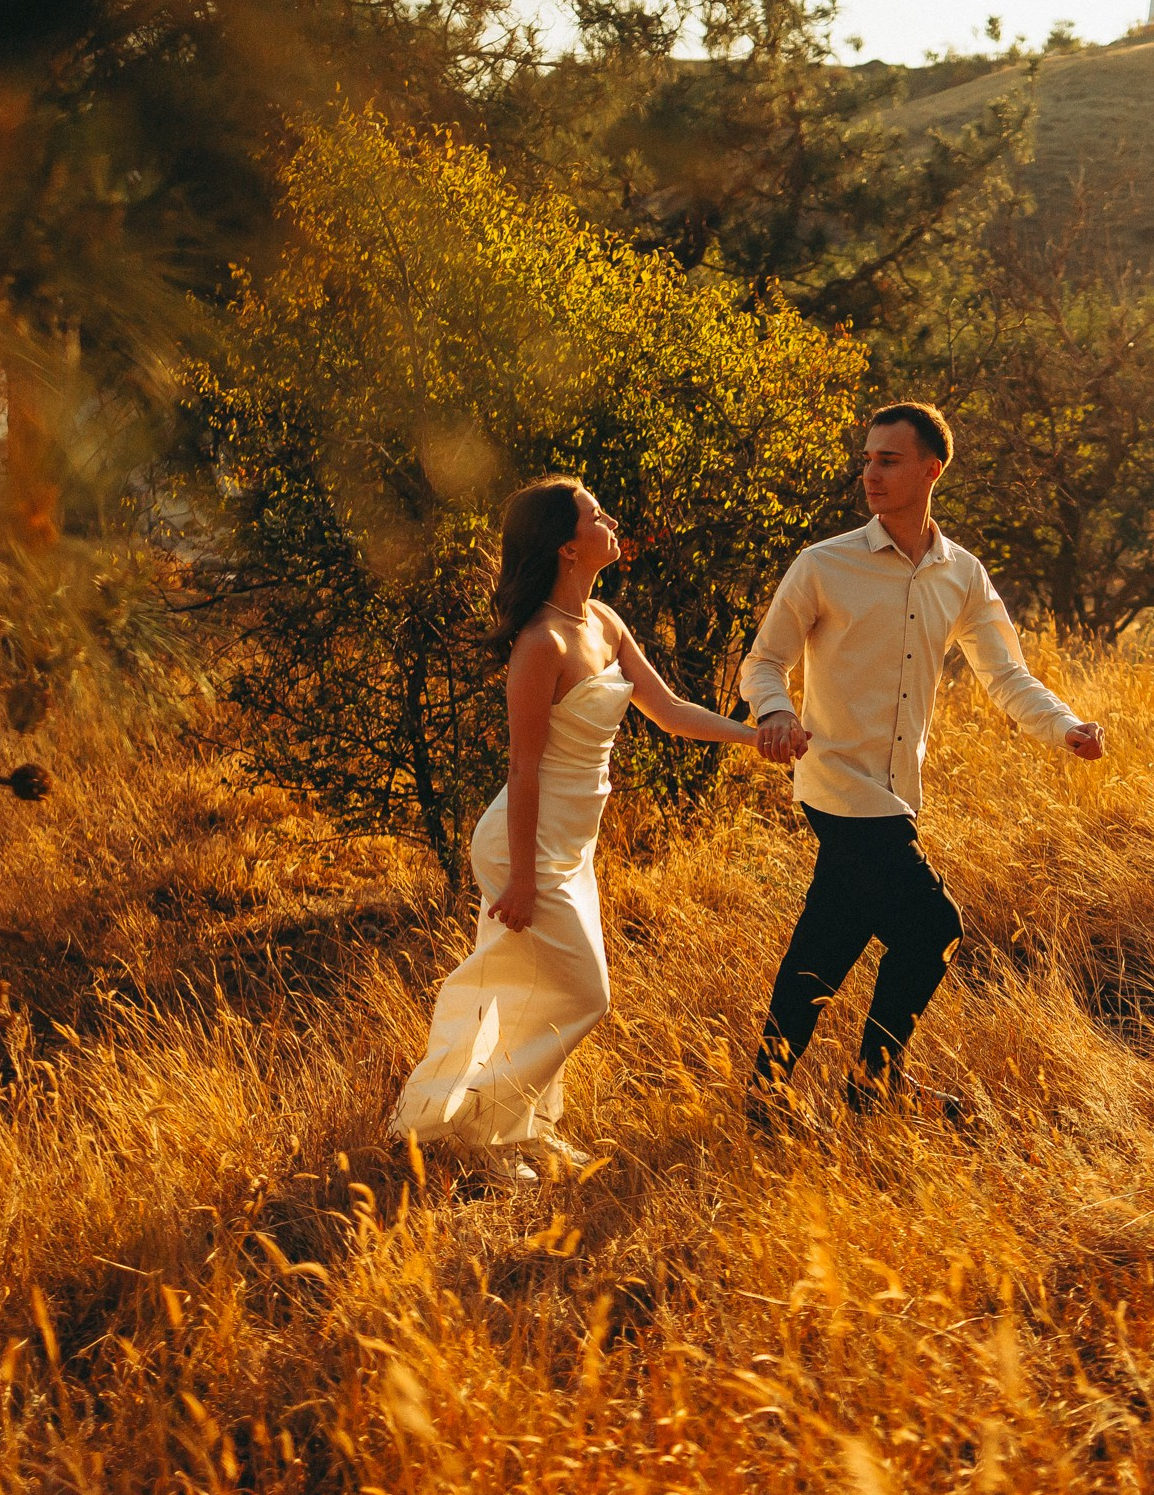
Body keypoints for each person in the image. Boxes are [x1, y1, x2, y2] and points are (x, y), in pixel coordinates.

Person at [740, 402, 1106, 1125]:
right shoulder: (824, 564)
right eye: (868, 459)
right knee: (933, 924)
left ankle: (765, 1091)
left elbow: (1006, 674)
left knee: (831, 934)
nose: (870, 473)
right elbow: (765, 662)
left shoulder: (960, 573)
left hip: (897, 787)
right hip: (836, 782)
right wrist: (776, 712)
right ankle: (875, 1082)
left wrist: (1064, 728)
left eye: (889, 460)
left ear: (931, 470)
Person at [390, 476, 757, 1182]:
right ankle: (480, 1136)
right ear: (567, 546)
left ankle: (513, 1129)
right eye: (596, 515)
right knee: (588, 994)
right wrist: (524, 878)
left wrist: (756, 737)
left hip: (570, 846)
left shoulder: (606, 623)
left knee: (539, 993)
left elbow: (672, 711)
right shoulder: (541, 644)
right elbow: (523, 770)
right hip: (523, 846)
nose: (612, 520)